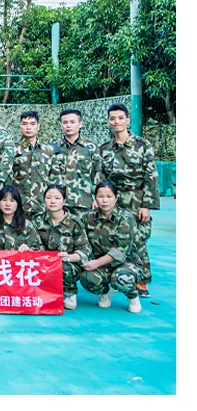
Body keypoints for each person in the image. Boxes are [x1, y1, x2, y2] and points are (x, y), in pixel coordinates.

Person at [99, 102, 160, 298]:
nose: (116, 122)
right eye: (113, 119)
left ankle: (141, 280)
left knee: (138, 240)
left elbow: (151, 176)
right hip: (113, 201)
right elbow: (101, 177)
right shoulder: (105, 148)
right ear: (108, 122)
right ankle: (113, 278)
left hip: (136, 199)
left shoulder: (142, 145)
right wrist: (100, 199)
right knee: (113, 238)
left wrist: (146, 205)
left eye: (120, 118)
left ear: (127, 120)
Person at [80, 181, 144, 313]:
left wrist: (96, 263)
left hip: (126, 262)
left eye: (109, 196)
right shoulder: (88, 217)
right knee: (86, 277)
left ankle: (133, 296)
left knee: (121, 278)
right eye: (100, 196)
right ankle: (106, 292)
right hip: (101, 263)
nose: (104, 200)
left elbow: (120, 251)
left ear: (116, 198)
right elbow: (79, 240)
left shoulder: (126, 218)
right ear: (95, 198)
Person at [34, 185, 92, 310]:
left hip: (67, 263)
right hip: (44, 261)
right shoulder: (38, 220)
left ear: (64, 201)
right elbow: (33, 242)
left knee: (63, 266)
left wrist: (69, 257)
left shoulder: (74, 223)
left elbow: (85, 250)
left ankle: (69, 292)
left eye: (57, 198)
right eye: (49, 198)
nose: (52, 201)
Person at [52, 109, 104, 220]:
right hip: (60, 204)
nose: (68, 125)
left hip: (84, 203)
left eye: (72, 122)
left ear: (80, 124)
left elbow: (98, 175)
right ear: (61, 125)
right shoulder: (53, 148)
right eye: (65, 122)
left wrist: (98, 198)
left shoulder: (91, 148)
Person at [10, 110, 59, 221]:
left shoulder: (48, 150)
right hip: (18, 206)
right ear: (20, 126)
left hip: (42, 207)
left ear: (38, 126)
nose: (28, 127)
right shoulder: (12, 149)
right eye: (24, 124)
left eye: (32, 124)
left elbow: (55, 178)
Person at [0, 185, 41, 251]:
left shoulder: (26, 225)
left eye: (12, 201)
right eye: (4, 200)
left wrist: (28, 249)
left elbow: (37, 249)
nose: (7, 204)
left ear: (17, 204)